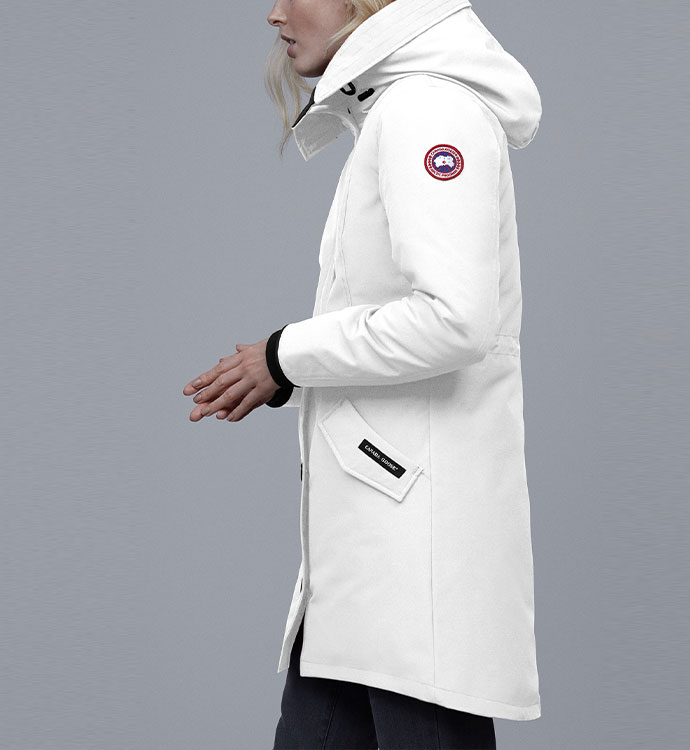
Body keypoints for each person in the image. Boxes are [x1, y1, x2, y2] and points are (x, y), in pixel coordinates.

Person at [183, 0, 543, 747]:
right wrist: (288, 367)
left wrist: (284, 355)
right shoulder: (400, 110)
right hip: (367, 567)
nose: (274, 14)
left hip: (411, 571)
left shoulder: (428, 110)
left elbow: (455, 318)